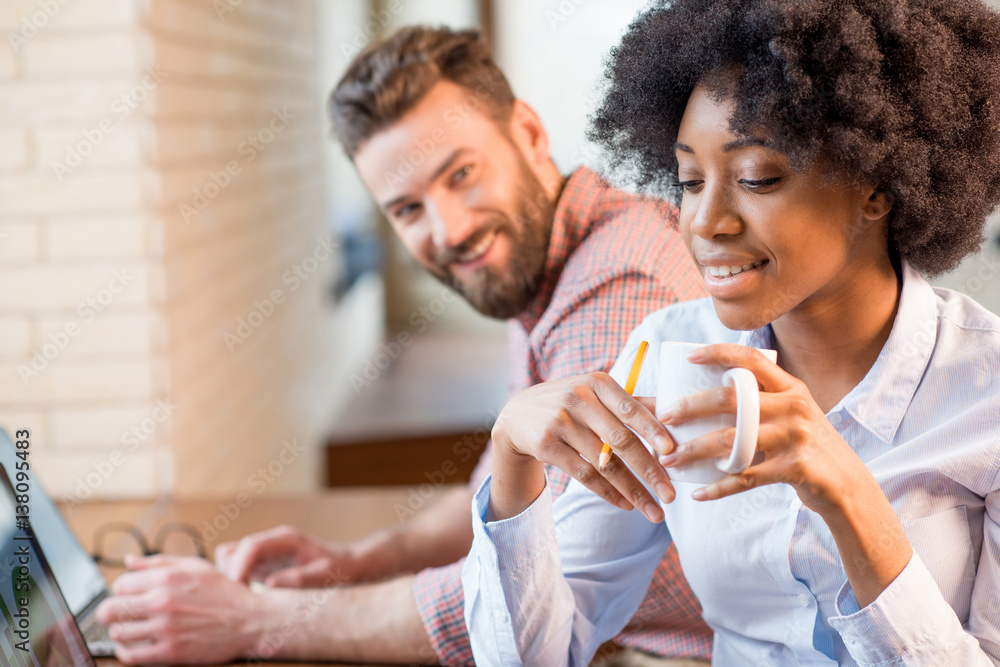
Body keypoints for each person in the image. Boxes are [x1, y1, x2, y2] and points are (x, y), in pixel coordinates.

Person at [94, 26, 711, 665]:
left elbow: (524, 591)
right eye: (408, 209)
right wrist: (356, 563)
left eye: (461, 174)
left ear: (527, 133)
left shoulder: (617, 283)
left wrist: (253, 620)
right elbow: (502, 500)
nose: (451, 230)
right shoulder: (540, 267)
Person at [462, 0, 1000, 664]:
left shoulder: (986, 391)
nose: (705, 222)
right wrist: (514, 459)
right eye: (689, 180)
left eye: (756, 178)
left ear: (877, 186)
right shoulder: (666, 357)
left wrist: (849, 496)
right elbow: (536, 655)